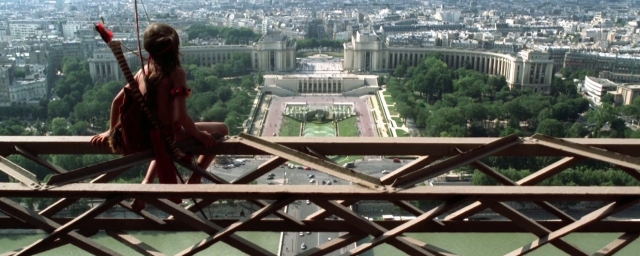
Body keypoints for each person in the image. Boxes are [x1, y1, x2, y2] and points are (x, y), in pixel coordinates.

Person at [90, 23, 229, 211]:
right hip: (168, 136)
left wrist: (110, 130)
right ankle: (195, 178)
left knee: (160, 140)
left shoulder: (142, 72)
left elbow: (116, 102)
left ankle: (146, 183)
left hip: (147, 138)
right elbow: (181, 117)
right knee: (221, 130)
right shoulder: (176, 74)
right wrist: (199, 134)